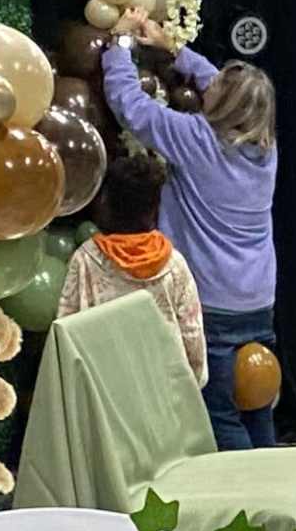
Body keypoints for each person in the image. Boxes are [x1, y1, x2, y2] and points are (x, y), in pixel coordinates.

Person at [100, 30, 281, 447]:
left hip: (212, 303)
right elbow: (225, 88)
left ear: (224, 104)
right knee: (254, 398)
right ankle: (275, 491)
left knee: (220, 412)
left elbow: (131, 105)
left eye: (217, 86)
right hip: (257, 301)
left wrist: (122, 45)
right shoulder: (264, 148)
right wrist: (174, 49)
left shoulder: (196, 139)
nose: (208, 82)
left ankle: (246, 504)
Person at [53, 149, 205, 380]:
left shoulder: (86, 259)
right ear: (154, 209)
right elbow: (191, 335)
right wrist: (192, 383)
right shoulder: (174, 264)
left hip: (104, 394)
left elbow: (64, 329)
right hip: (163, 392)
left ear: (105, 203)